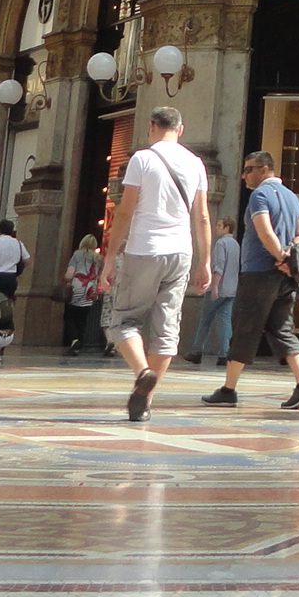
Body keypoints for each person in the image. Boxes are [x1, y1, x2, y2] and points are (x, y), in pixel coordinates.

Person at [99, 105, 212, 421]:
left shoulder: (142, 159)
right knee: (166, 329)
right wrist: (206, 261)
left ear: (151, 127)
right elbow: (202, 215)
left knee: (123, 321)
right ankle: (144, 400)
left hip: (144, 249)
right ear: (181, 129)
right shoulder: (196, 163)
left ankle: (143, 371)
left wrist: (109, 258)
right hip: (181, 253)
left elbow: (124, 211)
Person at [209, 151, 299, 411]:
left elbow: (264, 230)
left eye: (249, 169)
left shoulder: (260, 195)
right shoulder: (293, 198)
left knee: (245, 326)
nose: (244, 175)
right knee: (282, 329)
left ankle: (228, 390)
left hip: (258, 273)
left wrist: (279, 256)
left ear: (265, 169)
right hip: (285, 278)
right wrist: (290, 259)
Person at [187, 220, 238, 367]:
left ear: (227, 228)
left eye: (219, 225)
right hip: (231, 289)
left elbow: (219, 266)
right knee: (225, 321)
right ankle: (225, 353)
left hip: (218, 288)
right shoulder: (236, 244)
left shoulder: (221, 244)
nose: (216, 228)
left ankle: (196, 351)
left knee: (205, 320)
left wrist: (214, 286)